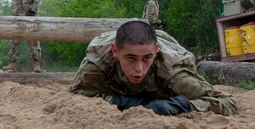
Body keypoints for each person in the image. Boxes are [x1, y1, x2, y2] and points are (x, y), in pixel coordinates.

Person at [69, 20, 238, 115]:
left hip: (168, 50)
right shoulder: (98, 64)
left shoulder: (173, 73)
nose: (139, 69)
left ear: (155, 52)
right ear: (116, 52)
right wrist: (119, 101)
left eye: (147, 58)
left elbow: (227, 103)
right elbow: (75, 98)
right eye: (131, 58)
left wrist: (178, 105)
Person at [4, 0, 44, 73]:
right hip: (17, 11)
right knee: (15, 38)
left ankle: (36, 64)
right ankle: (12, 64)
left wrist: (34, 9)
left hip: (31, 11)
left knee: (34, 39)